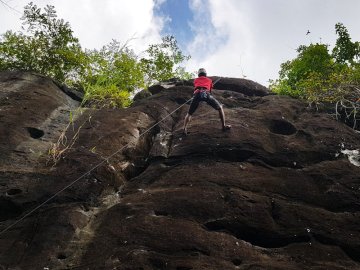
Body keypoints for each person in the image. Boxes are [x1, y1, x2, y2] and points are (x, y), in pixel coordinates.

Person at [183, 68, 231, 135]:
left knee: (189, 113)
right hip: (206, 94)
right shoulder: (209, 80)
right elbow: (210, 90)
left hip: (197, 95)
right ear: (205, 74)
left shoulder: (195, 80)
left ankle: (184, 128)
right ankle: (223, 126)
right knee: (220, 108)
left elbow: (196, 85)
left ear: (199, 74)